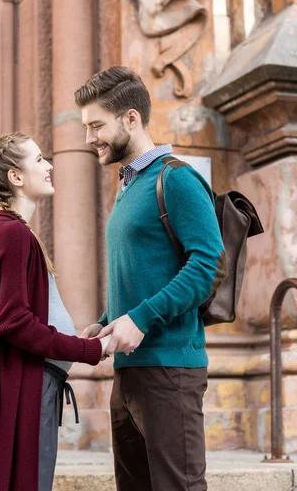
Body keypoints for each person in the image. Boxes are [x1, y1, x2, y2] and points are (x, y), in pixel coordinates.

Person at [75, 67, 228, 491]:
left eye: (95, 126)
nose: (89, 139)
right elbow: (146, 272)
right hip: (129, 374)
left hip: (171, 371)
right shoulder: (129, 185)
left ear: (130, 118)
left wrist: (139, 319)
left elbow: (208, 266)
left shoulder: (176, 178)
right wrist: (109, 320)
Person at [0, 132, 111, 491]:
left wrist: (73, 339)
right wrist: (88, 350)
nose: (49, 166)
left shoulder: (7, 231)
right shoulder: (11, 233)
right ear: (16, 177)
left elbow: (2, 314)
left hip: (21, 389)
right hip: (20, 394)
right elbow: (15, 323)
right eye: (39, 159)